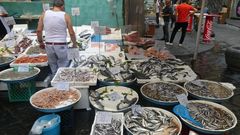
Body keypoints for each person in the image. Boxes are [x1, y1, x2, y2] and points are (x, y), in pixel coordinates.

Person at [37, 0, 77, 77]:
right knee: (63, 69)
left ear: (53, 5)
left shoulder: (44, 14)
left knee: (53, 67)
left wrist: (41, 42)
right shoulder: (65, 15)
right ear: (62, 6)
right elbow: (71, 33)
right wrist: (74, 44)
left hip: (48, 44)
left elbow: (39, 30)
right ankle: (62, 85)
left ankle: (55, 85)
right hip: (61, 44)